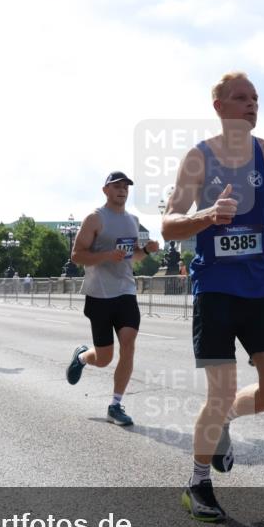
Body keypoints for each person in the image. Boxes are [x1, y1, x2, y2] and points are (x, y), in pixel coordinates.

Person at [161, 72, 264, 521]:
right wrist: (207, 215)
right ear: (219, 105)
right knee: (219, 390)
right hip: (216, 289)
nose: (251, 104)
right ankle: (197, 482)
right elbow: (168, 224)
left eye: (256, 98)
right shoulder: (198, 159)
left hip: (260, 288)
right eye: (240, 98)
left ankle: (225, 421)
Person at [66, 171, 160, 426]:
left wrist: (147, 251)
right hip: (99, 294)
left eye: (126, 187)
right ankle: (83, 357)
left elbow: (133, 257)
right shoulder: (95, 218)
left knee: (128, 343)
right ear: (105, 190)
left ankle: (115, 405)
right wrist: (107, 255)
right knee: (105, 357)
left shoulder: (133, 221)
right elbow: (76, 255)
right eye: (116, 186)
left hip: (125, 291)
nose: (122, 190)